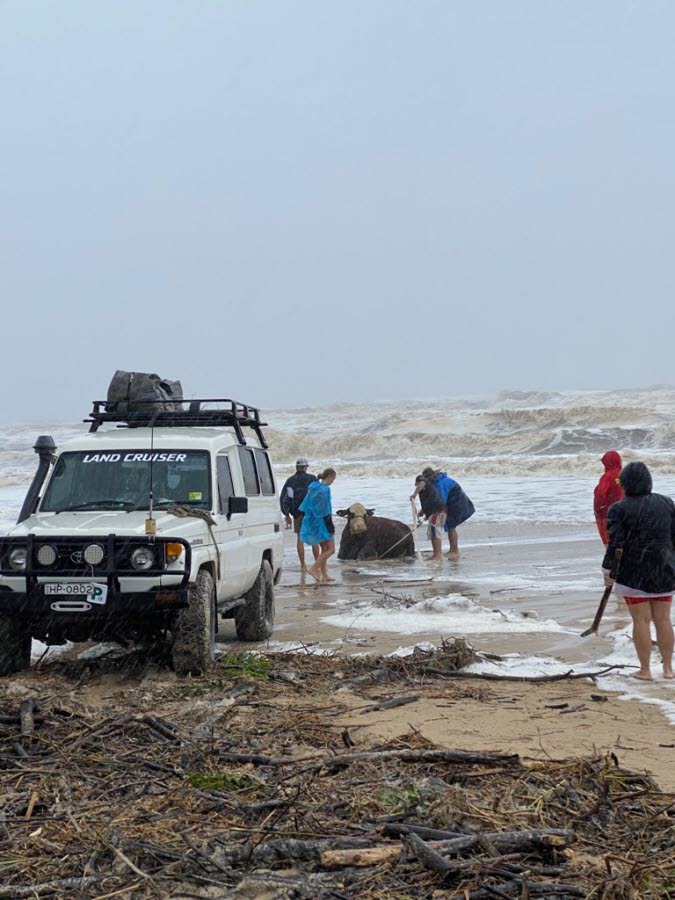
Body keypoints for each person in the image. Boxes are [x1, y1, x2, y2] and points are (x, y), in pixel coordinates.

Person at [602, 461, 675, 681]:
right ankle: (668, 669)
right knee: (663, 619)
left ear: (625, 483)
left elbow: (616, 543)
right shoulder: (667, 503)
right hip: (665, 568)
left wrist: (608, 570)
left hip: (634, 572)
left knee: (641, 620)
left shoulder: (619, 508)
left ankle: (645, 670)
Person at [421, 467, 475, 559]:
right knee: (451, 527)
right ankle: (453, 550)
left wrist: (431, 512)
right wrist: (424, 510)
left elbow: (441, 502)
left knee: (451, 526)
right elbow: (435, 500)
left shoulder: (441, 484)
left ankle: (454, 551)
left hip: (458, 505)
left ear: (432, 477)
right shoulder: (438, 480)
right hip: (454, 503)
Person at [279, 457, 319, 574]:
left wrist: (286, 514)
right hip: (311, 513)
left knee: (300, 539)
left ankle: (303, 566)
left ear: (297, 467)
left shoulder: (291, 480)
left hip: (297, 513)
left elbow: (286, 498)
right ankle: (317, 564)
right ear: (306, 467)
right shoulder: (312, 479)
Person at [299, 467, 337, 583]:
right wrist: (330, 526)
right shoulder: (325, 490)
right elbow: (325, 509)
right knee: (331, 549)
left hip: (312, 520)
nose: (333, 482)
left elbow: (305, 505)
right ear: (329, 477)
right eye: (333, 479)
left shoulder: (314, 487)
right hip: (323, 522)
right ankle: (314, 568)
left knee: (324, 548)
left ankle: (325, 574)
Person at [410, 474, 446, 562]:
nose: (418, 486)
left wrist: (414, 494)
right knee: (433, 533)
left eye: (417, 485)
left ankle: (438, 555)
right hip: (436, 512)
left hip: (438, 512)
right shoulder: (428, 491)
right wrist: (423, 511)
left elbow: (422, 483)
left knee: (435, 533)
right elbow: (430, 501)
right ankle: (436, 554)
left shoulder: (423, 483)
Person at [594, 450, 624, 545]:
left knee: (610, 544)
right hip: (625, 514)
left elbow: (600, 494)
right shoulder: (625, 474)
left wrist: (598, 510)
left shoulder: (607, 477)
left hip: (607, 514)